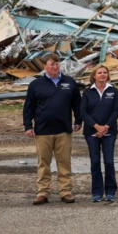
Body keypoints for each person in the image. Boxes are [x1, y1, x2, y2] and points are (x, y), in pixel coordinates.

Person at [23, 53, 82, 205]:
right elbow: (28, 107)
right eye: (51, 64)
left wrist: (78, 121)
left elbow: (77, 104)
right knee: (43, 163)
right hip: (43, 131)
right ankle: (42, 192)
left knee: (64, 162)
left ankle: (66, 192)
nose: (54, 67)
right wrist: (28, 125)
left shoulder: (69, 82)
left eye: (56, 64)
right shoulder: (36, 85)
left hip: (63, 130)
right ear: (45, 66)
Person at [80, 64, 118, 202]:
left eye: (105, 72)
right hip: (91, 132)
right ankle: (97, 192)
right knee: (95, 162)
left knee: (109, 161)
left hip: (109, 132)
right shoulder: (87, 92)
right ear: (94, 75)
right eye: (100, 72)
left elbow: (116, 110)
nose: (103, 74)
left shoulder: (113, 91)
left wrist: (106, 127)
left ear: (108, 75)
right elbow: (83, 112)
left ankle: (110, 191)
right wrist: (96, 127)